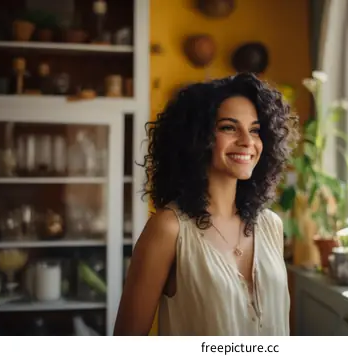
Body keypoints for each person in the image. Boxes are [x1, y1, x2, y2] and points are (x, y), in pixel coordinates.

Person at [113, 72, 297, 336]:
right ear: (197, 138)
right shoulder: (168, 229)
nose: (247, 141)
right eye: (229, 127)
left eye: (255, 130)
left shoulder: (271, 225)